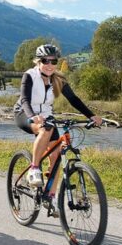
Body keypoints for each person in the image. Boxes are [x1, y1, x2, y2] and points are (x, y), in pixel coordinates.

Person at [14, 44, 102, 204]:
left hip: (47, 117)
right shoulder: (30, 76)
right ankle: (34, 169)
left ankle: (50, 196)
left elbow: (74, 99)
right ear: (37, 61)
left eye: (53, 61)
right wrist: (33, 116)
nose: (49, 65)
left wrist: (91, 116)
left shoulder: (58, 79)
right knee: (45, 130)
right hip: (24, 113)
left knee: (56, 156)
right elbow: (25, 99)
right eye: (45, 61)